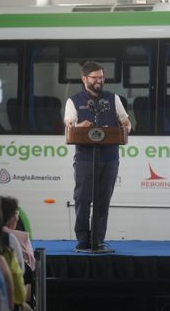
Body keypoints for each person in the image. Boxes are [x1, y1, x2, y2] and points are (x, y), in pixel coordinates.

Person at [63, 61, 131, 253]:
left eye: (101, 77)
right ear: (84, 79)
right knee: (82, 198)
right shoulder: (73, 101)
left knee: (103, 200)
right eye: (94, 78)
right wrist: (78, 127)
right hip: (85, 158)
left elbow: (126, 122)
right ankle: (83, 240)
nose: (99, 81)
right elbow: (69, 126)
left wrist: (124, 128)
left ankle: (98, 240)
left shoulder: (113, 99)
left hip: (109, 157)